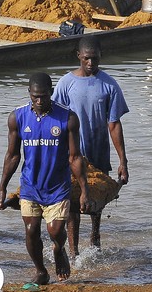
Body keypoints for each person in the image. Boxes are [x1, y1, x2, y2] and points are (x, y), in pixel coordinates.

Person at [0, 72, 92, 284]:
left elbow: (75, 157)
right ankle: (40, 271)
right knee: (31, 231)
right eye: (35, 97)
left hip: (57, 186)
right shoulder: (17, 117)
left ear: (52, 93)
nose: (39, 101)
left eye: (44, 96)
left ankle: (59, 250)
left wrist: (84, 190)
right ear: (29, 93)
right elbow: (12, 155)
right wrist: (2, 187)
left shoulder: (67, 118)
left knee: (56, 231)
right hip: (30, 185)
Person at [52, 36, 129, 256]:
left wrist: (123, 160)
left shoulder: (109, 84)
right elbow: (56, 121)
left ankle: (95, 240)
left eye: (94, 59)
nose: (90, 64)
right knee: (72, 204)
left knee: (96, 202)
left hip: (99, 153)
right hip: (72, 154)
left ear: (100, 57)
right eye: (86, 59)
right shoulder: (66, 84)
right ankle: (74, 252)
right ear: (78, 56)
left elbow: (114, 124)